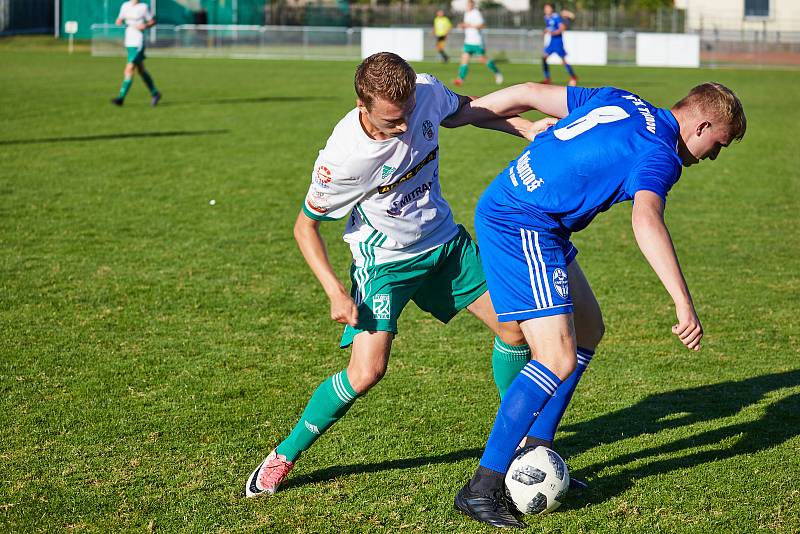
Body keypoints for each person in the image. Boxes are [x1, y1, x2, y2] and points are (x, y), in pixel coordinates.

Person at [244, 52, 556, 498]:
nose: (405, 126)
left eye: (408, 113)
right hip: (385, 264)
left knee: (516, 329)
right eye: (392, 121)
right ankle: (285, 454)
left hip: (446, 245)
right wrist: (334, 290)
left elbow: (464, 110)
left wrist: (522, 127)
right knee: (367, 371)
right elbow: (304, 226)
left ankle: (519, 443)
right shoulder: (344, 159)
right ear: (361, 105)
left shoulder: (423, 91)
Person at [448, 81, 745, 528]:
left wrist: (462, 114)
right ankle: (482, 487)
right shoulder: (661, 154)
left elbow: (528, 90)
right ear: (701, 124)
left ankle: (535, 451)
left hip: (529, 212)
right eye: (717, 145)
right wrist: (683, 301)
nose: (712, 157)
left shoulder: (623, 99)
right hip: (521, 221)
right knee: (556, 357)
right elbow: (646, 219)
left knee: (587, 331)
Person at [111, 0, 162, 107]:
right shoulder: (125, 6)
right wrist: (119, 21)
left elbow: (152, 21)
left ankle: (120, 98)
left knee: (129, 69)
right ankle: (155, 93)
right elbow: (119, 19)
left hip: (138, 42)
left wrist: (145, 25)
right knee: (141, 70)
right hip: (129, 42)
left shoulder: (143, 7)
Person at [454, 0, 503, 86]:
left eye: (469, 5)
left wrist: (469, 25)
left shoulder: (476, 13)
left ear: (472, 5)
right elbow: (467, 25)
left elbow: (482, 26)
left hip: (477, 42)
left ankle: (497, 73)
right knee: (464, 60)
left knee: (482, 59)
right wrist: (462, 26)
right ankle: (460, 79)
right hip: (468, 41)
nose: (467, 6)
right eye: (467, 5)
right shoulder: (467, 13)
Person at [541, 3, 577, 87]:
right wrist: (545, 31)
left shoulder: (556, 17)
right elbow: (550, 27)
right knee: (544, 58)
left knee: (563, 61)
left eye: (548, 8)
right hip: (551, 42)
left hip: (558, 42)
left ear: (552, 9)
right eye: (545, 8)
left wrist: (554, 32)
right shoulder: (546, 18)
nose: (546, 10)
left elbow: (562, 28)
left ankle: (573, 77)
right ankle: (547, 79)